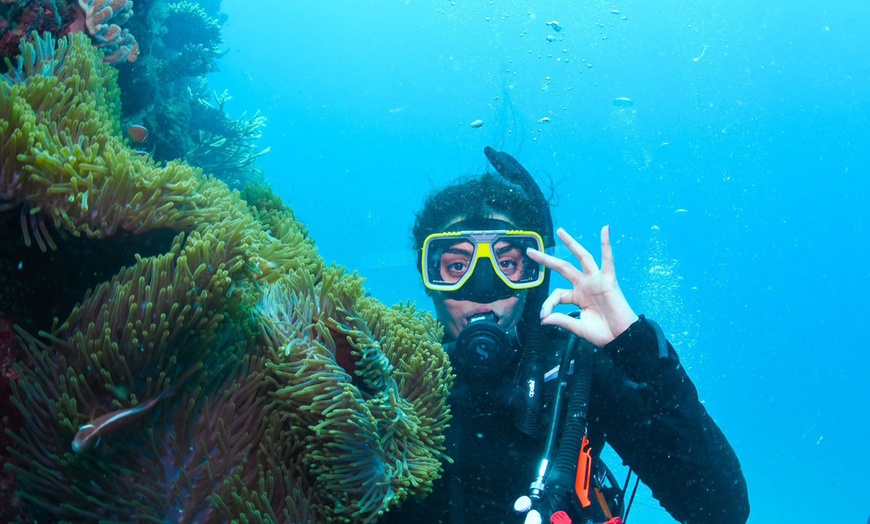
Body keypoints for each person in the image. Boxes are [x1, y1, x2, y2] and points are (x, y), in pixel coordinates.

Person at [383, 147, 749, 524]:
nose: (484, 287)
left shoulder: (574, 367)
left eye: (507, 264)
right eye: (456, 266)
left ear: (534, 273)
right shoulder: (383, 372)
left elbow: (723, 510)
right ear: (429, 278)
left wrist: (634, 348)